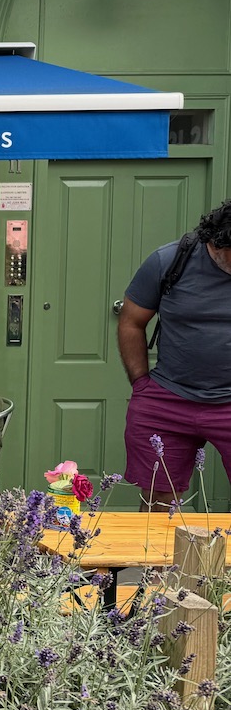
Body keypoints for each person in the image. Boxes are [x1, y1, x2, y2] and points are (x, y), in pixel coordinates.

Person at [117, 199, 231, 510]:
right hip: (168, 399)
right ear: (217, 243)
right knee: (159, 502)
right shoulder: (169, 261)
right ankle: (159, 561)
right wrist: (141, 384)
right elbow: (131, 320)